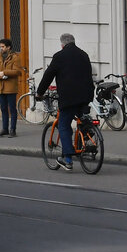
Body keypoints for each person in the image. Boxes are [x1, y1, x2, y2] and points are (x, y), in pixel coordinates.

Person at [34, 33, 95, 171]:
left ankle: (67, 159)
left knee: (63, 125)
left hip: (69, 98)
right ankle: (88, 136)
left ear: (62, 45)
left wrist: (40, 93)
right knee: (82, 119)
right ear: (73, 42)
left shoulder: (59, 56)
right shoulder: (83, 54)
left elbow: (48, 75)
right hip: (86, 96)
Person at [0, 38, 21, 137]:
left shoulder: (15, 57)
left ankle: (12, 129)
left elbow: (17, 71)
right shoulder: (0, 56)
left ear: (8, 47)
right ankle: (5, 129)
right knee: (3, 108)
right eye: (0, 47)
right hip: (1, 87)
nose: (1, 48)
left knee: (12, 109)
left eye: (3, 47)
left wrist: (4, 73)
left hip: (10, 87)